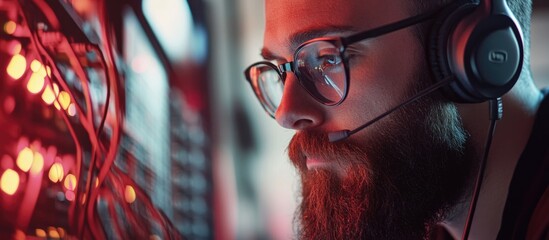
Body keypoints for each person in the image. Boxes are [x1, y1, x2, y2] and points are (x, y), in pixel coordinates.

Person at [243, 0, 548, 239]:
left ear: (474, 53)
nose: (286, 114)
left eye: (327, 59)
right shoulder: (415, 217)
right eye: (281, 67)